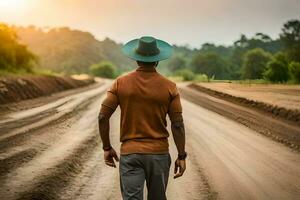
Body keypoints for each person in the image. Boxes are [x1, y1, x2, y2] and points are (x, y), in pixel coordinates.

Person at [98, 36, 187, 200]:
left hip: (130, 154)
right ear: (157, 60)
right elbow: (178, 125)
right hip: (159, 154)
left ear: (136, 59)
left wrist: (107, 148)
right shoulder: (170, 87)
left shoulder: (120, 83)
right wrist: (181, 156)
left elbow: (103, 116)